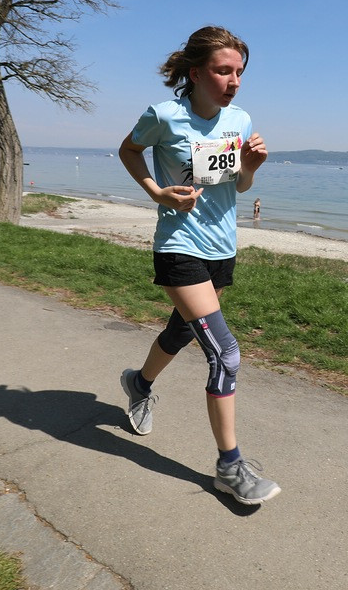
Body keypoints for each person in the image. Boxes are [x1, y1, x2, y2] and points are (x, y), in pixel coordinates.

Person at [117, 26, 279, 505]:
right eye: (223, 70)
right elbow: (129, 149)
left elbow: (239, 188)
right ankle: (230, 467)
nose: (234, 81)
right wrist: (157, 192)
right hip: (179, 245)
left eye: (240, 72)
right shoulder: (165, 116)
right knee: (225, 354)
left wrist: (251, 166)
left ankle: (138, 382)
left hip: (222, 249)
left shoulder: (241, 119)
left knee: (185, 332)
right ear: (196, 72)